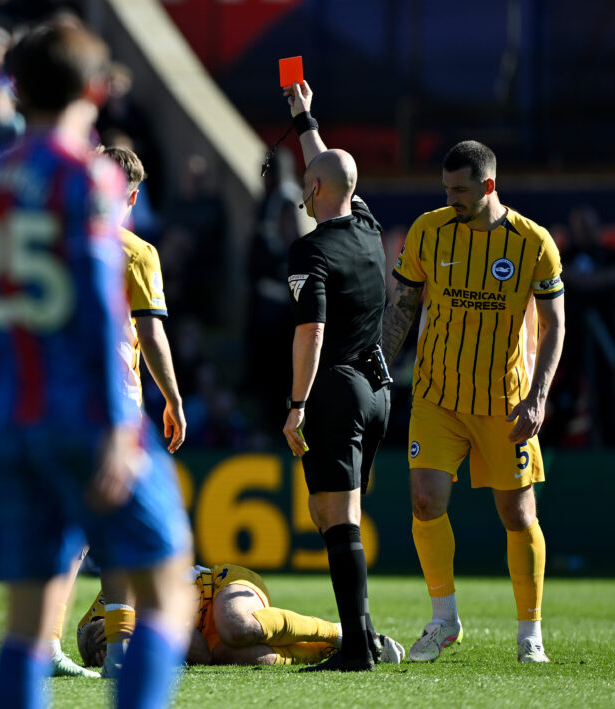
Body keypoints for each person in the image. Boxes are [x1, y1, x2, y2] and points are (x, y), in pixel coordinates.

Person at [0, 20, 194, 709]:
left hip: (9, 414)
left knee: (28, 623)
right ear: (96, 88)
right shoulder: (85, 179)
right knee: (169, 590)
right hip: (87, 411)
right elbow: (100, 309)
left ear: (16, 90)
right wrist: (120, 426)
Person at [380, 140, 565, 664]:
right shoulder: (428, 230)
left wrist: (538, 396)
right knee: (424, 500)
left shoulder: (534, 243)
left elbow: (554, 326)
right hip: (437, 396)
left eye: (459, 190)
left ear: (487, 186)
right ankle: (444, 620)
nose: (450, 198)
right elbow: (404, 307)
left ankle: (530, 632)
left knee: (517, 513)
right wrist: (376, 365)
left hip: (505, 401)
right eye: (445, 188)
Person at [278, 80, 392, 672]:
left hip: (336, 390)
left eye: (306, 180)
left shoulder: (310, 251)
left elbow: (310, 333)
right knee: (331, 514)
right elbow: (331, 171)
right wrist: (304, 119)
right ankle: (364, 635)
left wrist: (297, 403)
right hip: (378, 391)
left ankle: (356, 648)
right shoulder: (369, 226)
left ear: (314, 189)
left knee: (336, 516)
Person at [93, 144, 188, 678]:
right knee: (126, 523)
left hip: (53, 395)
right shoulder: (136, 251)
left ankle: (40, 643)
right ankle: (122, 647)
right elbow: (150, 333)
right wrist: (173, 399)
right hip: (114, 401)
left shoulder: (57, 242)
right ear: (132, 195)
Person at [77, 564, 405, 668]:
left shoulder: (129, 584)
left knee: (237, 624)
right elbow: (200, 652)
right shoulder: (99, 625)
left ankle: (341, 631)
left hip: (223, 585)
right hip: (206, 636)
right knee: (253, 657)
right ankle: (329, 649)